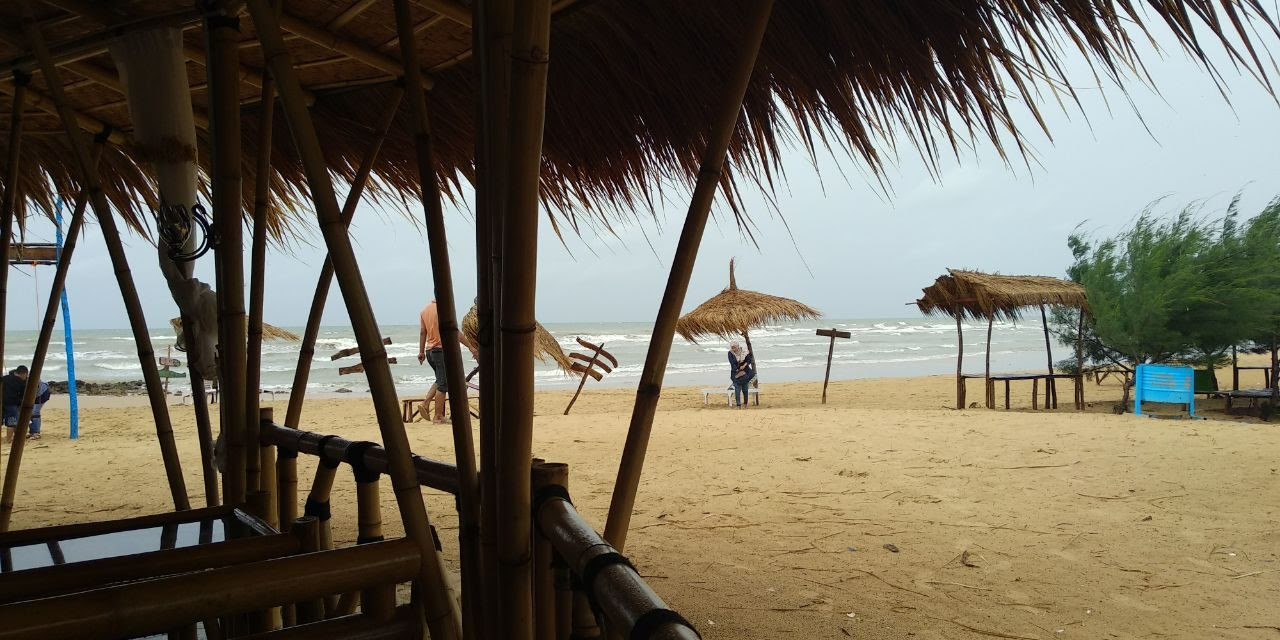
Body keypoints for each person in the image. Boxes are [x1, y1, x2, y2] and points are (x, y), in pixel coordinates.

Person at [417, 300, 478, 424]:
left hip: (429, 352)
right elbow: (454, 331)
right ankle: (438, 416)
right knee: (443, 384)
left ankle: (425, 403)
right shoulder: (444, 311)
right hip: (440, 351)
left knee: (440, 379)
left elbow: (423, 332)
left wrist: (421, 351)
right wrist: (470, 347)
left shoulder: (424, 310)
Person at [728, 342, 754, 408]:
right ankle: (738, 405)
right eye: (732, 348)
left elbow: (749, 360)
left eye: (734, 347)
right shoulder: (730, 353)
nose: (733, 349)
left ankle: (745, 404)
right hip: (735, 373)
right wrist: (737, 369)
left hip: (745, 372)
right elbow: (732, 363)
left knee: (745, 388)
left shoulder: (744, 351)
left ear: (738, 347)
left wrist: (744, 365)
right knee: (737, 388)